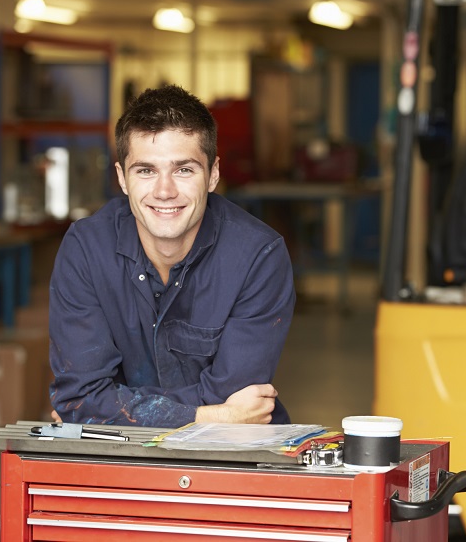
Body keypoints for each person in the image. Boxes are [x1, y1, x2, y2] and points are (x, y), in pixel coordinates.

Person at [48, 84, 295, 428]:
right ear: (122, 178)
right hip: (120, 458)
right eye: (146, 170)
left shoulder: (258, 256)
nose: (165, 191)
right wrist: (213, 415)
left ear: (213, 174)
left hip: (231, 456)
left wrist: (105, 408)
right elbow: (79, 397)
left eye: (184, 170)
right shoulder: (87, 249)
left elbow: (242, 400)